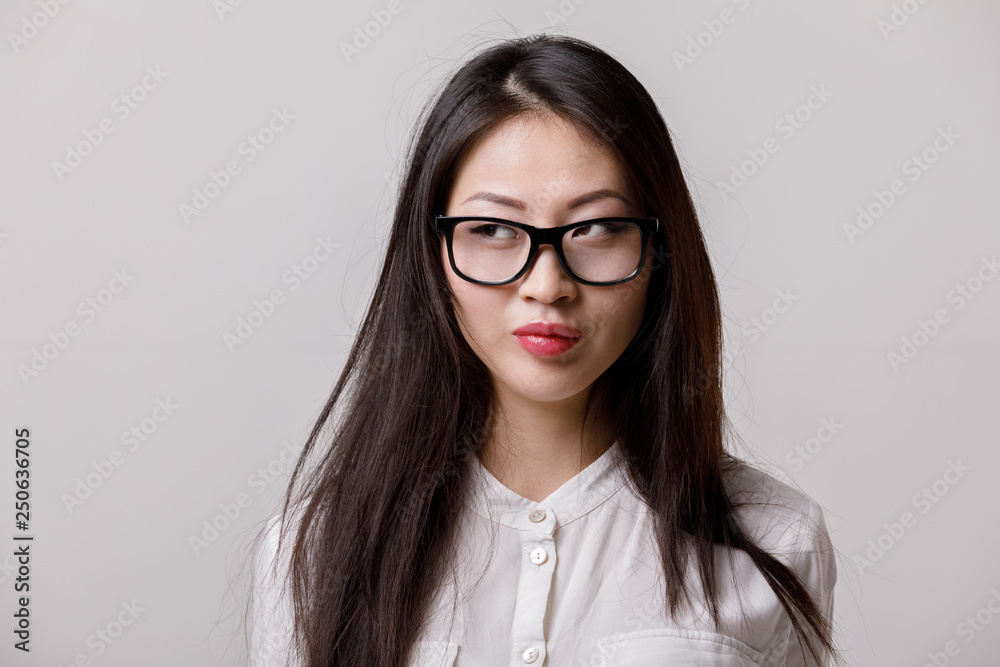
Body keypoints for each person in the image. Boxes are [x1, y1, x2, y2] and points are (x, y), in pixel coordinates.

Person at [248, 33, 840, 667]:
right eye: (494, 229)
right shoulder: (312, 553)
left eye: (597, 228)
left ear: (660, 256)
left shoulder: (775, 538)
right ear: (432, 256)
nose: (547, 286)